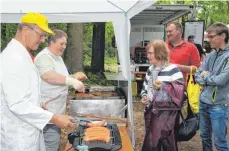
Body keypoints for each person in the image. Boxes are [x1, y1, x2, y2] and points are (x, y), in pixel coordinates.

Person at [0, 12, 83, 151]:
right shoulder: (12, 58)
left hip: (30, 129)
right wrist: (53, 117)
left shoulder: (23, 55)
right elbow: (17, 104)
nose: (43, 40)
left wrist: (38, 104)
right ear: (26, 30)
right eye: (41, 35)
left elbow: (23, 91)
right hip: (18, 136)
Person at [34, 29, 87, 151]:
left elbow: (62, 78)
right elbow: (48, 75)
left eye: (65, 44)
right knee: (50, 145)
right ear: (51, 42)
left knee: (53, 143)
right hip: (47, 112)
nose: (64, 47)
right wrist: (72, 81)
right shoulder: (44, 57)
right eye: (61, 43)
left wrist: (74, 77)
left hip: (57, 111)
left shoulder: (57, 57)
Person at [140, 40, 184, 151]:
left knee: (167, 143)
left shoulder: (173, 70)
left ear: (160, 53)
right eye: (148, 53)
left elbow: (180, 94)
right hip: (150, 111)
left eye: (150, 53)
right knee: (152, 141)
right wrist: (144, 96)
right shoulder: (150, 69)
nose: (147, 56)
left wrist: (163, 87)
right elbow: (145, 87)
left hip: (167, 115)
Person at [195, 22, 229, 151]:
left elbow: (221, 80)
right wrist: (206, 76)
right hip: (203, 102)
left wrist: (205, 76)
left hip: (218, 104)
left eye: (211, 36)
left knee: (219, 141)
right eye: (208, 37)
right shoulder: (211, 55)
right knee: (204, 137)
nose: (208, 40)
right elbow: (198, 74)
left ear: (223, 36)